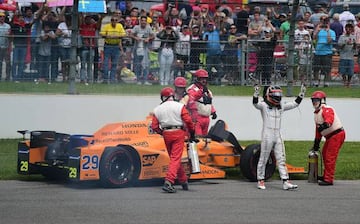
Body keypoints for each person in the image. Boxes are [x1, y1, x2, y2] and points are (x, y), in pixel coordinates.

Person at [253, 84, 306, 190]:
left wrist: (302, 93)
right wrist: (256, 93)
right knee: (264, 158)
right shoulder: (263, 105)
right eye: (275, 95)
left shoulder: (281, 106)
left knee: (281, 159)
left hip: (278, 135)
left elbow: (295, 104)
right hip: (267, 135)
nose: (277, 97)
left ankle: (286, 181)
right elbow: (255, 104)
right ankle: (260, 180)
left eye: (279, 94)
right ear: (269, 95)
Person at [151, 87, 195, 193]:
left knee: (174, 159)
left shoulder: (157, 109)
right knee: (175, 158)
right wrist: (192, 133)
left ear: (163, 97)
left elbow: (154, 126)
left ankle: (183, 181)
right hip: (178, 132)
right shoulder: (179, 106)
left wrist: (162, 132)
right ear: (172, 96)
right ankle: (169, 181)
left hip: (166, 133)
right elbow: (188, 121)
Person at [310, 91, 345, 186]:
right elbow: (318, 131)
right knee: (325, 154)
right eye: (313, 100)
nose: (314, 102)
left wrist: (325, 125)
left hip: (336, 135)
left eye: (316, 100)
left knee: (329, 156)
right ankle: (326, 175)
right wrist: (316, 143)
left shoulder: (326, 109)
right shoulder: (317, 114)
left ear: (322, 100)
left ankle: (329, 179)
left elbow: (329, 119)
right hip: (331, 136)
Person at [186, 69, 217, 136]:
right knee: (198, 137)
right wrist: (201, 92)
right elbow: (191, 99)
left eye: (205, 79)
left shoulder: (207, 90)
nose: (204, 80)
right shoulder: (192, 89)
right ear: (196, 79)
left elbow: (209, 102)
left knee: (205, 138)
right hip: (196, 118)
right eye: (201, 79)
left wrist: (213, 111)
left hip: (206, 118)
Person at [100, 15, 126, 83]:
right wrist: (108, 36)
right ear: (110, 21)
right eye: (112, 20)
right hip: (108, 46)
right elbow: (102, 34)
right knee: (106, 63)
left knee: (114, 63)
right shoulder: (107, 26)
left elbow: (123, 34)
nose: (114, 21)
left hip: (116, 46)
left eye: (115, 20)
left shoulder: (119, 26)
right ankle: (105, 79)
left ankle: (112, 79)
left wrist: (116, 36)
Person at [130, 15, 155, 85]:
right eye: (142, 20)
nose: (143, 22)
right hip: (137, 48)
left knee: (146, 64)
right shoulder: (136, 27)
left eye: (145, 21)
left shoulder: (148, 28)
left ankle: (145, 80)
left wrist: (148, 38)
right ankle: (138, 80)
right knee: (137, 64)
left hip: (145, 48)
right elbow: (131, 34)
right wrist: (135, 38)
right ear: (140, 21)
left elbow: (153, 35)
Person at [312, 16, 336, 87]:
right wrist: (317, 29)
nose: (324, 23)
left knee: (327, 69)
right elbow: (314, 38)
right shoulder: (319, 31)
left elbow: (329, 41)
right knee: (316, 69)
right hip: (318, 52)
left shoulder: (332, 32)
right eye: (323, 22)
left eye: (326, 22)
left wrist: (328, 30)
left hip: (327, 52)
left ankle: (326, 83)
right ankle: (316, 82)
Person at [337, 23, 356, 88]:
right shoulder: (342, 37)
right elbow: (339, 47)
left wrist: (355, 44)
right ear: (345, 29)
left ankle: (349, 82)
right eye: (347, 28)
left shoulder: (353, 36)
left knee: (350, 71)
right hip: (343, 56)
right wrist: (345, 43)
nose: (349, 29)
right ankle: (344, 82)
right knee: (343, 71)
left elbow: (355, 48)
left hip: (350, 56)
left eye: (350, 28)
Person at [0, 10, 11, 81]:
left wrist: (9, 35)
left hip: (6, 46)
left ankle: (8, 77)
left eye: (3, 17)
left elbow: (10, 37)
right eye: (0, 17)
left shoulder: (8, 26)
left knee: (8, 63)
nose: (2, 18)